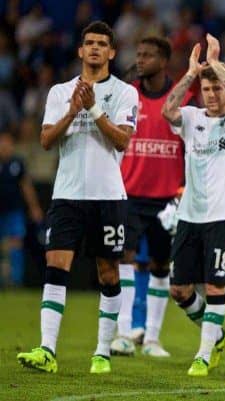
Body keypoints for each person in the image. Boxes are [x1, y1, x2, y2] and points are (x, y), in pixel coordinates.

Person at [17, 21, 138, 374]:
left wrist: (95, 109)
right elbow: (45, 140)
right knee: (55, 267)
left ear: (112, 52)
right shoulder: (59, 92)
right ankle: (47, 350)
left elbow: (122, 141)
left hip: (107, 195)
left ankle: (102, 350)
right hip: (67, 194)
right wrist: (73, 109)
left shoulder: (124, 93)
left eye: (102, 43)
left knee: (108, 272)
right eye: (89, 43)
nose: (96, 48)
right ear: (80, 51)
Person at [161, 33, 225, 377]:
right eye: (208, 89)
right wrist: (191, 73)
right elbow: (166, 110)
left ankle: (203, 354)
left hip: (223, 217)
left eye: (218, 88)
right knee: (179, 289)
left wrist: (216, 64)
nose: (212, 95)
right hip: (189, 216)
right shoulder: (191, 117)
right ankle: (215, 334)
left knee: (216, 286)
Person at [110, 36, 194, 357]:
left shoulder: (182, 98)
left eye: (148, 55)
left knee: (161, 266)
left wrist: (184, 189)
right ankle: (124, 333)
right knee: (125, 258)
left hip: (167, 198)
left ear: (164, 60)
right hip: (129, 193)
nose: (140, 59)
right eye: (138, 53)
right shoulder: (126, 95)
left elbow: (192, 147)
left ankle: (153, 338)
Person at [0, 131, 43, 286]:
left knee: (16, 244)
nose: (5, 147)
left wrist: (34, 208)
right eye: (2, 143)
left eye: (7, 144)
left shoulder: (17, 163)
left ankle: (15, 281)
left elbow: (26, 186)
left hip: (14, 212)